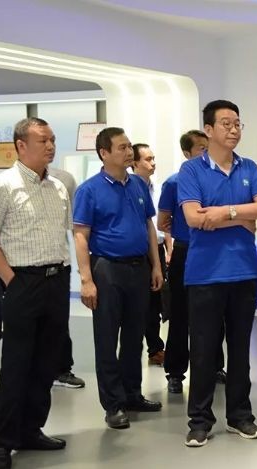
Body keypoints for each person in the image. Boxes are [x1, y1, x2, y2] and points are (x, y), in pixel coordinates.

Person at [177, 100, 257, 447]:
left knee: (241, 350)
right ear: (209, 129)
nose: (234, 130)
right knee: (203, 351)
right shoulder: (191, 170)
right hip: (205, 274)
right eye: (226, 124)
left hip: (243, 271)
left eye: (237, 124)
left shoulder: (249, 167)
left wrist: (224, 213)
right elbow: (193, 218)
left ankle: (240, 416)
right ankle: (200, 420)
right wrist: (243, 218)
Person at [0, 118, 72, 469]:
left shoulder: (58, 187)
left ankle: (30, 430)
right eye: (43, 140)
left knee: (46, 363)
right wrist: (10, 278)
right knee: (16, 365)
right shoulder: (3, 186)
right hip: (23, 282)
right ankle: (0, 444)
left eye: (53, 140)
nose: (50, 146)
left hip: (56, 281)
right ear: (21, 145)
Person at [73, 127, 164, 430]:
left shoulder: (137, 184)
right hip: (107, 269)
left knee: (135, 336)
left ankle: (132, 394)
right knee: (107, 338)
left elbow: (149, 225)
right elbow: (81, 236)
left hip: (139, 267)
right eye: (122, 148)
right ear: (104, 153)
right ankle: (113, 405)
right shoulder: (89, 190)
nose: (129, 152)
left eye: (129, 147)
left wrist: (156, 265)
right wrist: (87, 280)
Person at [157, 130, 226, 395]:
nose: (206, 152)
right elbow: (163, 221)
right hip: (186, 252)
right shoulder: (174, 183)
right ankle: (175, 372)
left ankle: (215, 366)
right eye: (200, 148)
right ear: (187, 153)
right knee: (180, 314)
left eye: (208, 147)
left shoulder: (219, 179)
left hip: (215, 252)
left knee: (216, 313)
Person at [131, 143, 170, 366]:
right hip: (141, 251)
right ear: (134, 163)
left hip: (158, 248)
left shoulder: (155, 187)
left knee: (157, 299)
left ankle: (156, 348)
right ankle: (147, 348)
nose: (153, 163)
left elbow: (163, 222)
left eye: (153, 158)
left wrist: (168, 249)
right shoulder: (131, 188)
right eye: (147, 159)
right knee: (143, 302)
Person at [48, 164, 86, 389]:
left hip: (59, 263)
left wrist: (84, 265)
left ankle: (61, 370)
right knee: (24, 326)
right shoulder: (6, 183)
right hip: (21, 269)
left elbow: (75, 226)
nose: (49, 148)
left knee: (59, 320)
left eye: (51, 145)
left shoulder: (64, 180)